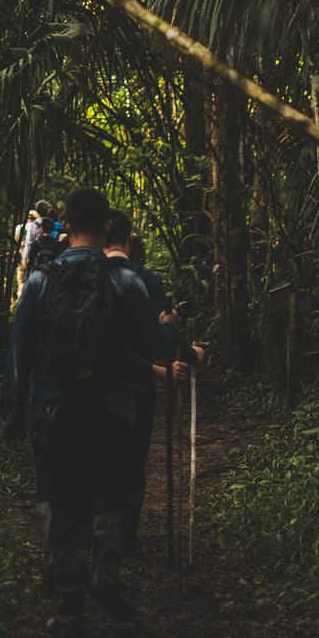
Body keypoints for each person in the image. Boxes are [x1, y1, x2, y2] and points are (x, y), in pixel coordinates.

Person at [0, 185, 161, 624]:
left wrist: (13, 414)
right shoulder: (126, 280)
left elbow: (20, 352)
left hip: (54, 409)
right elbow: (154, 346)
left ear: (65, 225)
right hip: (112, 408)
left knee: (66, 497)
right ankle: (106, 571)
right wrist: (183, 349)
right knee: (116, 490)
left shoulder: (39, 281)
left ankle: (70, 601)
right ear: (108, 226)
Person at [103, 212, 204, 546]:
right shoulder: (146, 279)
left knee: (97, 457)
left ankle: (96, 534)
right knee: (133, 463)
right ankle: (124, 535)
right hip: (137, 386)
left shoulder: (82, 275)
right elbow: (158, 338)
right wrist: (187, 351)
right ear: (130, 239)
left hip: (93, 386)